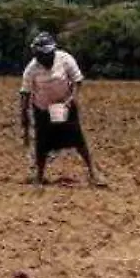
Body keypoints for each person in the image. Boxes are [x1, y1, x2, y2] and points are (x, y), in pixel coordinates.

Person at [19, 32, 104, 187]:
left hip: (65, 106)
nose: (40, 58)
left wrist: (71, 99)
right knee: (42, 144)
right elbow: (25, 93)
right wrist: (24, 116)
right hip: (43, 109)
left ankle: (93, 173)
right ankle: (39, 176)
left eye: (43, 55)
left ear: (51, 52)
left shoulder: (65, 59)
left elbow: (77, 81)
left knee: (78, 140)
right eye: (37, 55)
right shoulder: (31, 68)